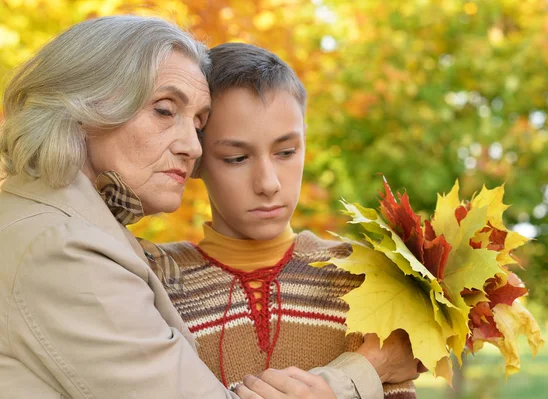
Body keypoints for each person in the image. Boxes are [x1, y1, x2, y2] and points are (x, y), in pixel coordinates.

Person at [0, 15, 401, 399]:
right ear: (84, 103)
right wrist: (363, 372)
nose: (192, 146)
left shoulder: (65, 226)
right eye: (164, 110)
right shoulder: (62, 247)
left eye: (197, 122)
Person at [147, 42, 423, 399]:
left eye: (286, 152)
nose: (268, 183)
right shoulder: (150, 281)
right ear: (196, 157)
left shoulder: (365, 279)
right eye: (236, 158)